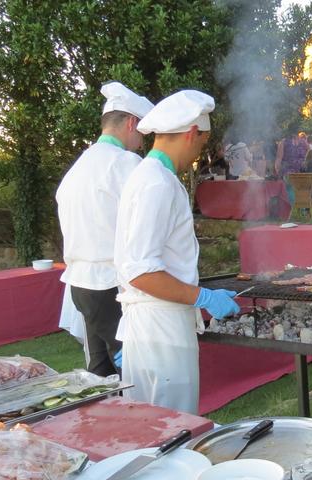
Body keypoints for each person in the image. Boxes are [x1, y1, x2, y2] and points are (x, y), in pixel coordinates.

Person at [113, 89, 240, 414]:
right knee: (173, 430)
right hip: (161, 329)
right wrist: (203, 297)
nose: (198, 153)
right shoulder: (157, 183)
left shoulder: (146, 176)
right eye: (200, 143)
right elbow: (141, 271)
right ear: (191, 133)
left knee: (150, 426)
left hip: (152, 326)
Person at [55, 81, 153, 377]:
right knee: (134, 372)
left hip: (81, 287)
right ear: (131, 123)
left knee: (100, 371)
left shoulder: (79, 167)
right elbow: (145, 225)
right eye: (142, 134)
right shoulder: (126, 164)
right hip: (110, 286)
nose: (141, 142)